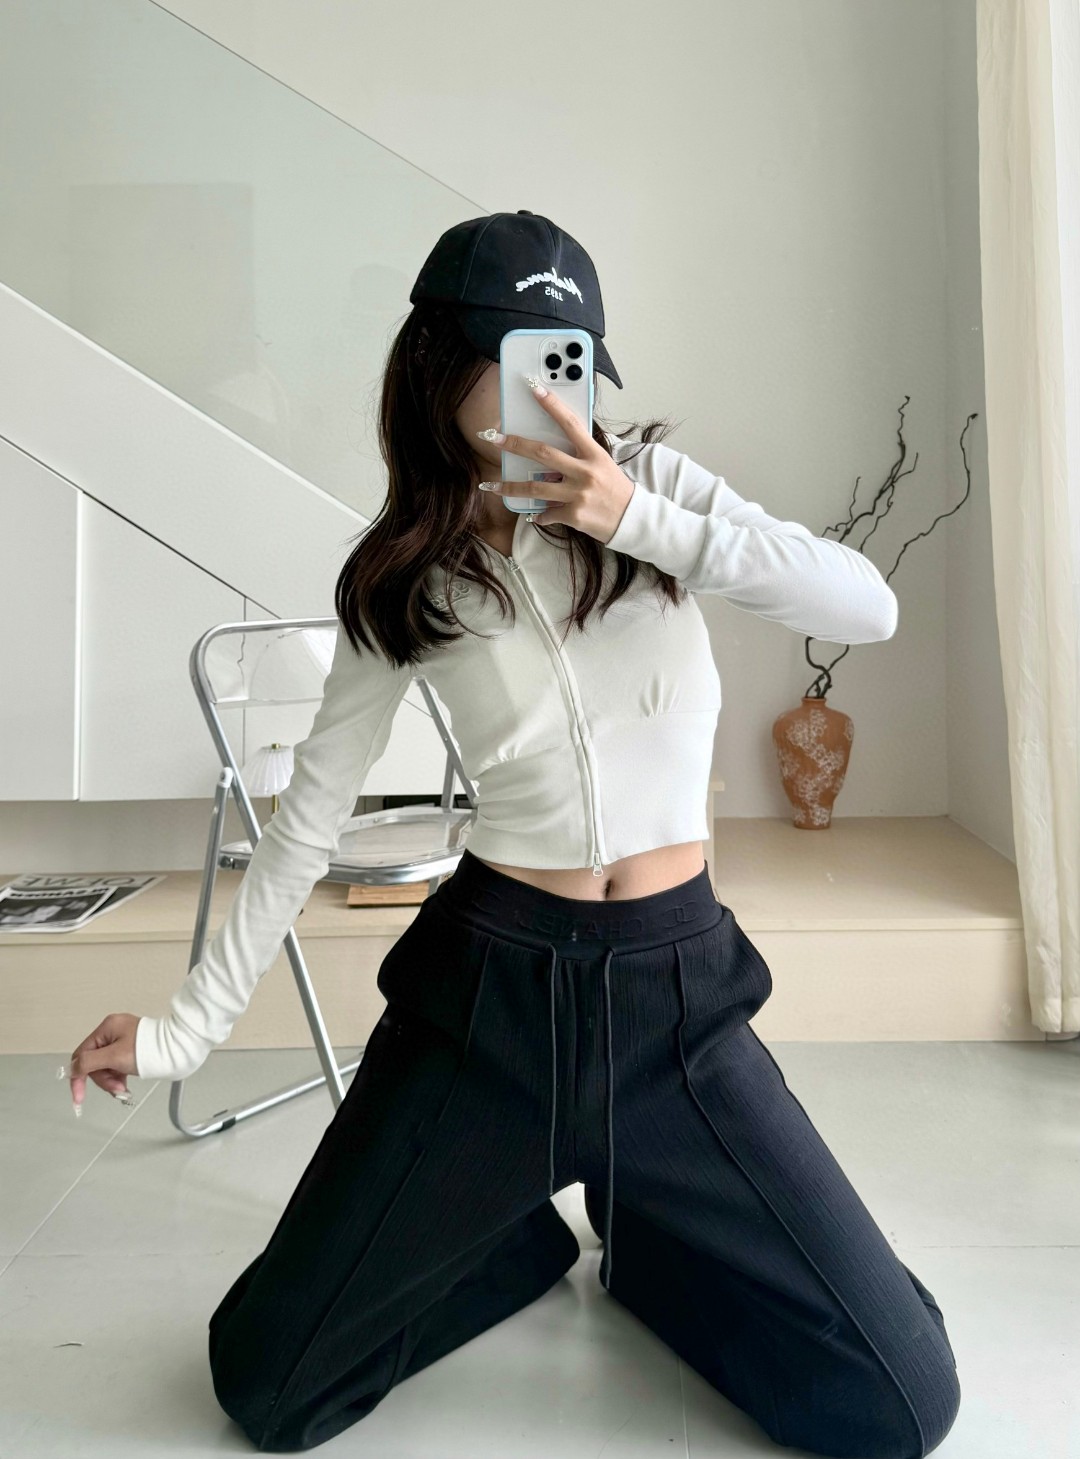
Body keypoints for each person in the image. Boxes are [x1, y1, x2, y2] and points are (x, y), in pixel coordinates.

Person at [67, 211, 960, 1456]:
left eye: (573, 359)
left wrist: (633, 517)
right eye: (527, 356)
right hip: (491, 997)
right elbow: (308, 818)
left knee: (904, 1402)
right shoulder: (405, 574)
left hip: (676, 997)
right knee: (265, 1383)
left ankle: (645, 1252)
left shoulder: (655, 492)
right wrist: (182, 1031)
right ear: (443, 365)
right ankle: (513, 1239)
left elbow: (867, 606)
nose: (558, 391)